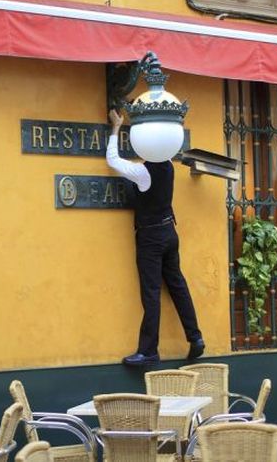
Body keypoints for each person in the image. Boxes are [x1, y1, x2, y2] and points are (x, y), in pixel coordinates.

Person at [106, 109, 204, 366]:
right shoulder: (168, 165)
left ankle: (149, 350)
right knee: (178, 285)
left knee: (151, 293)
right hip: (170, 232)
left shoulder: (143, 173)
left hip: (151, 236)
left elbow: (113, 160)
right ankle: (195, 337)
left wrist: (116, 127)